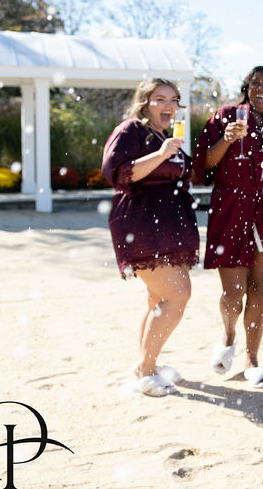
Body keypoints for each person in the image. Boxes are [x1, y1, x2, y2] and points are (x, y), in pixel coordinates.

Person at [193, 66, 263, 389]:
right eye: (256, 83)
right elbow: (204, 164)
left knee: (258, 288)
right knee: (233, 292)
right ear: (247, 87)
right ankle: (228, 336)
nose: (262, 88)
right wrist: (226, 141)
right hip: (231, 209)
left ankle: (252, 360)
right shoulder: (227, 115)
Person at [101, 78, 198, 397]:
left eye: (174, 100)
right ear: (145, 103)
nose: (169, 105)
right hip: (142, 223)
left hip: (169, 223)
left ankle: (148, 363)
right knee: (178, 294)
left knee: (157, 297)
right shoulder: (131, 130)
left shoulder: (167, 136)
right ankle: (146, 369)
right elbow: (118, 172)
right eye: (160, 99)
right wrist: (161, 154)